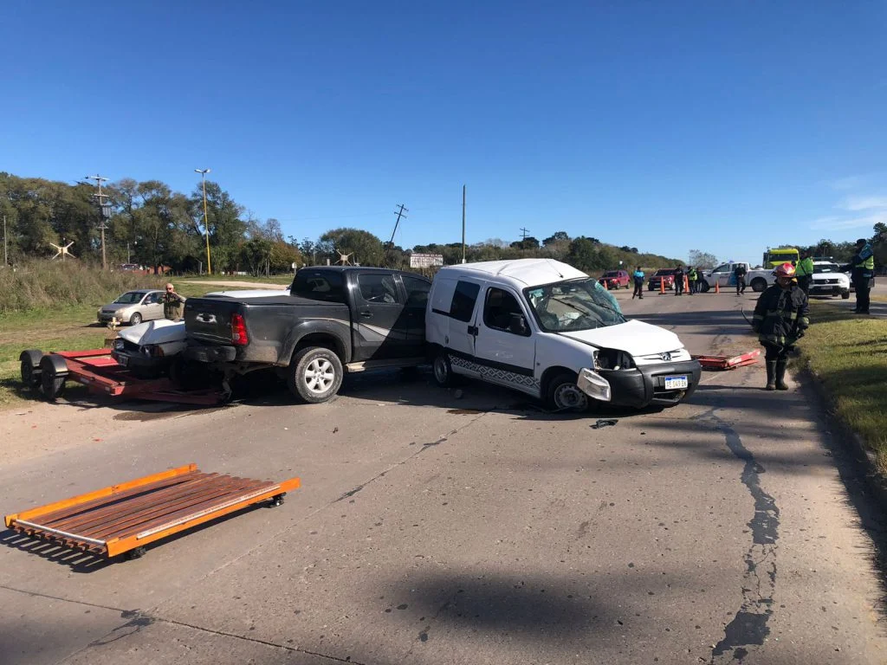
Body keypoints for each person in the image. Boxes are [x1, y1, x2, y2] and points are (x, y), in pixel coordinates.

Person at [752, 263, 809, 391]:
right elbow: (760, 310)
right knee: (771, 353)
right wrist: (756, 323)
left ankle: (780, 381)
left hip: (789, 329)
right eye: (782, 278)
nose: (784, 281)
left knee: (784, 354)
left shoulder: (799, 294)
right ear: (776, 277)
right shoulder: (769, 293)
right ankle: (770, 382)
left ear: (792, 278)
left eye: (787, 278)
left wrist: (803, 325)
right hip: (770, 328)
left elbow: (803, 311)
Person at [840, 238, 874, 315]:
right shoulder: (860, 251)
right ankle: (859, 308)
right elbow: (853, 264)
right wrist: (842, 269)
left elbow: (858, 260)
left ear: (862, 244)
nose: (857, 247)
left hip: (865, 274)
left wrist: (854, 257)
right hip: (859, 274)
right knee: (859, 293)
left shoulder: (868, 250)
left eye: (858, 245)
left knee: (864, 293)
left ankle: (865, 309)